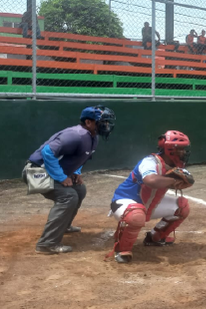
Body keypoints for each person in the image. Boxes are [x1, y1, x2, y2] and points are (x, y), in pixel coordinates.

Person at [26, 105, 116, 254]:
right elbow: (47, 152)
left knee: (79, 190)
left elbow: (79, 158)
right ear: (88, 122)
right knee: (68, 196)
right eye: (102, 122)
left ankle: (64, 225)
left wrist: (75, 172)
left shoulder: (93, 136)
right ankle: (47, 244)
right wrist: (61, 177)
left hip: (48, 171)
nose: (106, 126)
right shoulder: (76, 135)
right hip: (36, 171)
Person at [107, 131, 193, 263]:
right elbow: (150, 180)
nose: (184, 152)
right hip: (125, 201)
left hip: (149, 203)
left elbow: (187, 181)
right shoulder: (150, 162)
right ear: (170, 150)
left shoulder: (176, 167)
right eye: (180, 149)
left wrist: (181, 183)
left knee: (182, 206)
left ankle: (155, 237)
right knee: (136, 215)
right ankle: (122, 249)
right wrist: (173, 181)